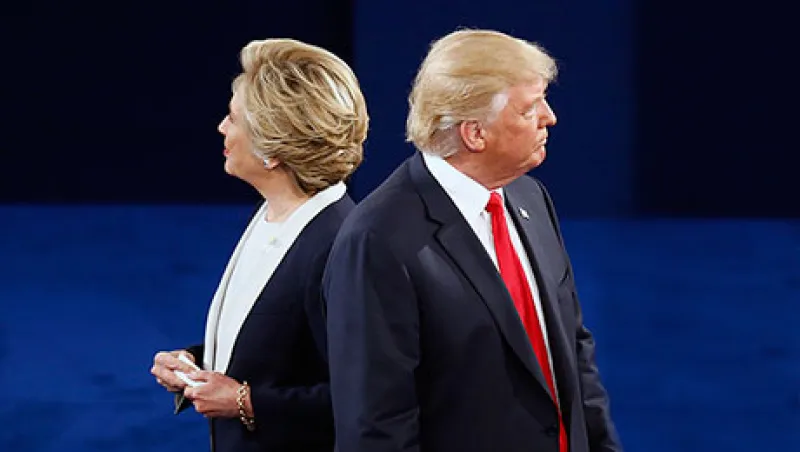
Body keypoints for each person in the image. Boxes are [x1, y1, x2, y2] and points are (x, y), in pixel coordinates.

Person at [323, 29, 621, 452]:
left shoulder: (529, 197)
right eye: (530, 108)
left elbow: (573, 353)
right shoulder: (379, 239)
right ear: (475, 134)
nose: (550, 117)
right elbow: (376, 424)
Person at [150, 37, 368, 452]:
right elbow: (283, 352)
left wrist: (245, 401)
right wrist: (196, 364)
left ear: (272, 150)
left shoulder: (339, 245)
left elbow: (362, 397)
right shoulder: (271, 214)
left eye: (233, 119)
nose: (222, 127)